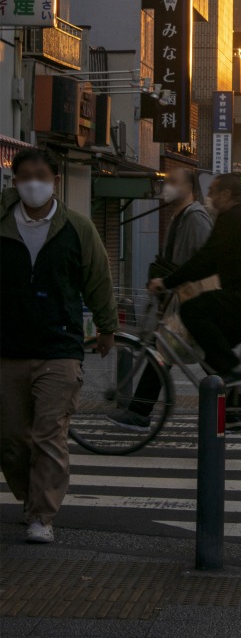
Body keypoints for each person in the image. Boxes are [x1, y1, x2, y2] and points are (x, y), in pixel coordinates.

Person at [0, 147, 117, 544]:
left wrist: (107, 326)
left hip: (60, 347)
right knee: (12, 437)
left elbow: (97, 278)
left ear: (55, 181)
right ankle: (29, 498)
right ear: (15, 182)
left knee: (50, 433)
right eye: (26, 175)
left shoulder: (77, 228)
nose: (34, 182)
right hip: (8, 346)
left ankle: (42, 515)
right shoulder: (1, 224)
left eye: (42, 175)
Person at [148, 173, 241, 384]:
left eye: (212, 192)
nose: (209, 196)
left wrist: (167, 283)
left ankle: (236, 372)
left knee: (192, 310)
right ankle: (230, 407)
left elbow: (206, 260)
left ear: (226, 194)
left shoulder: (233, 218)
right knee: (212, 352)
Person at [109, 166, 212, 430]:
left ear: (189, 188)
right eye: (167, 181)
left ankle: (140, 411)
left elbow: (204, 265)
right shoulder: (179, 217)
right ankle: (232, 404)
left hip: (192, 301)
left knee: (162, 351)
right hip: (181, 300)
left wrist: (174, 287)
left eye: (173, 181)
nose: (167, 186)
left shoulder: (195, 218)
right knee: (178, 353)